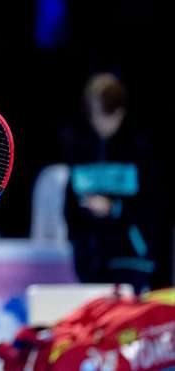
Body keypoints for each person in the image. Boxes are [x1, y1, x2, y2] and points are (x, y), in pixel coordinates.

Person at [59, 72, 163, 294]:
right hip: (90, 260)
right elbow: (70, 207)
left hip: (133, 259)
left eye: (105, 113)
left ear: (119, 111)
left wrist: (114, 208)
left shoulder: (142, 151)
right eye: (93, 114)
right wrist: (78, 243)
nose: (99, 122)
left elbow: (154, 208)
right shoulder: (79, 151)